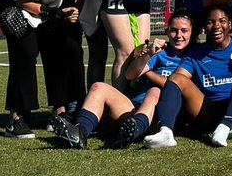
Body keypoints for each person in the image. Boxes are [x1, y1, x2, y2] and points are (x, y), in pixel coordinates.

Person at [0, 0, 102, 138]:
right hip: (16, 5)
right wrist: (54, 14)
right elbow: (24, 0)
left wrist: (74, 11)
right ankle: (16, 117)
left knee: (68, 47)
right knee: (25, 52)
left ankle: (61, 110)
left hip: (50, 8)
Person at [143, 7, 232, 148]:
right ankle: (166, 132)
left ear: (230, 24)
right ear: (204, 27)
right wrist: (146, 69)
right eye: (210, 22)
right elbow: (177, 80)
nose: (216, 25)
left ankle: (225, 127)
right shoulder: (196, 52)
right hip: (210, 112)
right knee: (176, 78)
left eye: (222, 20)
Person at [52, 10, 195, 148]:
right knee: (98, 87)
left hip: (163, 117)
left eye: (184, 31)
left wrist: (148, 73)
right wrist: (148, 54)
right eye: (174, 30)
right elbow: (130, 74)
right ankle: (80, 132)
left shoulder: (196, 56)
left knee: (154, 91)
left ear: (192, 32)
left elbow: (175, 84)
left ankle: (134, 132)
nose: (178, 35)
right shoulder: (161, 51)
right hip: (135, 109)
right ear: (167, 30)